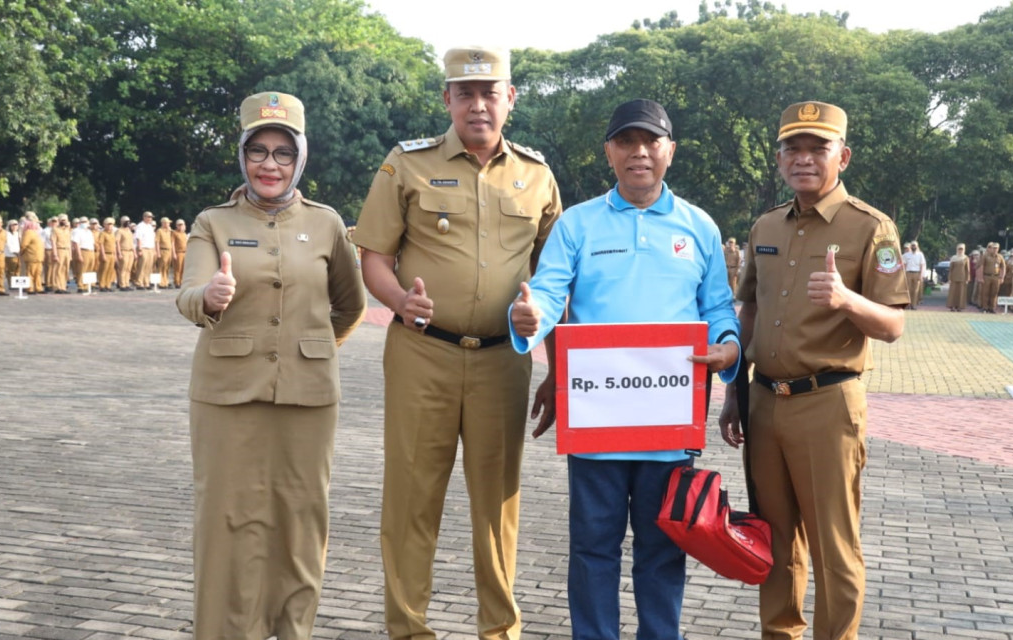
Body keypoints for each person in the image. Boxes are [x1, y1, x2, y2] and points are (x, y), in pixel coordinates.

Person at [508, 99, 741, 640]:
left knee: (662, 550)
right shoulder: (578, 223)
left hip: (667, 424)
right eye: (626, 141)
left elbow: (718, 310)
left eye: (651, 141)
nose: (639, 152)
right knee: (593, 547)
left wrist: (727, 350)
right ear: (609, 151)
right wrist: (527, 316)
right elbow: (544, 296)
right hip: (597, 425)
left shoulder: (699, 227)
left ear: (670, 151)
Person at [353, 46, 563, 640]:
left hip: (504, 359)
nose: (477, 104)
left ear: (510, 99)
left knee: (498, 506)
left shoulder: (536, 174)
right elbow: (374, 256)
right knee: (412, 498)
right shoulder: (407, 164)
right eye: (464, 93)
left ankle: (499, 630)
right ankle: (408, 629)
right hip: (424, 354)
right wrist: (398, 301)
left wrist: (540, 319)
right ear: (446, 99)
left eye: (489, 92)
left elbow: (555, 277)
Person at [176, 91, 366, 639]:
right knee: (226, 525)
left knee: (300, 526)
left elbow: (350, 305)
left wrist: (313, 350)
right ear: (242, 155)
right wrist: (211, 297)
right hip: (226, 397)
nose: (270, 164)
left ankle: (291, 632)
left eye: (283, 153)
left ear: (300, 158)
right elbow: (189, 293)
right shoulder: (212, 222)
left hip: (309, 400)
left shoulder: (327, 224)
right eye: (258, 150)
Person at [719, 101, 908, 640]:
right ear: (779, 159)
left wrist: (848, 300)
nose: (803, 159)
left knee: (833, 546)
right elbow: (748, 310)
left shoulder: (871, 227)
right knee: (774, 542)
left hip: (827, 404)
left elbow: (892, 325)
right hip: (764, 402)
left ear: (842, 156)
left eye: (817, 148)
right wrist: (735, 395)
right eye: (792, 149)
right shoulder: (765, 224)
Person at [978, 242, 1006, 313]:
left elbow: (1003, 267)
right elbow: (981, 266)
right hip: (987, 276)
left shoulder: (1000, 257)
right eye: (993, 248)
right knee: (985, 292)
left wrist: (1002, 277)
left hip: (996, 277)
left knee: (994, 293)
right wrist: (981, 277)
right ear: (991, 249)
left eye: (996, 248)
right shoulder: (985, 256)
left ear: (998, 249)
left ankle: (992, 307)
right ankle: (985, 307)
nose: (995, 250)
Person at [19, 218, 45, 293]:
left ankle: (38, 287)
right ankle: (30, 288)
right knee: (30, 273)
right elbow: (24, 245)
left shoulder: (35, 232)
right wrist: (21, 253)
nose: (38, 225)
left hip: (38, 257)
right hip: (32, 257)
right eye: (36, 223)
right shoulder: (28, 232)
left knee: (38, 273)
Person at [134, 211, 156, 289]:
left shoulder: (150, 227)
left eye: (151, 217)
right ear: (144, 217)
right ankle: (139, 282)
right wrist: (139, 249)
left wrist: (154, 249)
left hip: (150, 248)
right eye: (149, 217)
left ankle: (146, 282)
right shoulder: (140, 226)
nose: (150, 219)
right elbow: (138, 238)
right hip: (143, 248)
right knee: (142, 266)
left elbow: (152, 239)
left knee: (149, 266)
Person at [946, 243, 970, 311]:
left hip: (962, 278)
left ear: (964, 249)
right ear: (957, 249)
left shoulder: (966, 258)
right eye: (959, 249)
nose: (960, 250)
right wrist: (949, 278)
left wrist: (967, 278)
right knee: (953, 292)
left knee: (961, 293)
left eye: (962, 249)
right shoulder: (954, 258)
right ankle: (952, 306)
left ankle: (959, 307)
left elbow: (967, 269)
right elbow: (951, 269)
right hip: (954, 278)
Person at [97, 217, 118, 291]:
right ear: (104, 225)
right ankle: (102, 285)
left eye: (111, 225)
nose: (110, 226)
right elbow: (101, 244)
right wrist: (103, 255)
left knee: (110, 270)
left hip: (112, 254)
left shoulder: (112, 234)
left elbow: (114, 245)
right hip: (106, 253)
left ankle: (108, 285)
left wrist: (115, 255)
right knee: (104, 270)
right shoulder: (103, 233)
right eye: (108, 225)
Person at [903, 241, 925, 309]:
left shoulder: (920, 254)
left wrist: (921, 275)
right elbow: (904, 265)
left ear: (917, 246)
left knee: (915, 290)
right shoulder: (906, 255)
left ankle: (914, 305)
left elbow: (922, 265)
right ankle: (907, 304)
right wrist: (903, 275)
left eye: (914, 245)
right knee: (908, 289)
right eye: (912, 245)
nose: (913, 247)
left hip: (917, 273)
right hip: (908, 273)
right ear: (911, 247)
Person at [116, 215, 136, 291]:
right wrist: (119, 253)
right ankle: (122, 285)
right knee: (123, 269)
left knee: (128, 269)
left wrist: (134, 252)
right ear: (121, 222)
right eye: (126, 221)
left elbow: (132, 243)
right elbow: (117, 242)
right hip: (123, 251)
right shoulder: (119, 231)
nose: (127, 223)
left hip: (130, 251)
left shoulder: (129, 231)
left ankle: (127, 283)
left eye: (128, 221)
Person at [156, 215, 174, 287]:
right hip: (162, 250)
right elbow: (157, 242)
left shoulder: (170, 231)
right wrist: (158, 252)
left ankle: (166, 281)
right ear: (163, 223)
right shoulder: (159, 231)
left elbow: (172, 241)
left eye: (169, 223)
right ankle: (161, 282)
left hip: (169, 251)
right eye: (167, 223)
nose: (168, 224)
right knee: (161, 267)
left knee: (167, 267)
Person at [172, 218, 188, 287]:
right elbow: (172, 244)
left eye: (182, 225)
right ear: (176, 225)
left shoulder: (184, 234)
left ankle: (182, 281)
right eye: (179, 225)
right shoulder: (174, 233)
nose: (180, 226)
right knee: (177, 268)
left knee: (183, 268)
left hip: (185, 252)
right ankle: (177, 282)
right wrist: (174, 253)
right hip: (178, 252)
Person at [4, 219, 21, 287]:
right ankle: (11, 284)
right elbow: (8, 244)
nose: (14, 227)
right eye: (12, 225)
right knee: (11, 271)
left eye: (16, 225)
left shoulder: (17, 234)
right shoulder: (7, 234)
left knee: (17, 270)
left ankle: (16, 284)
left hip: (18, 254)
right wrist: (14, 251)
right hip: (10, 255)